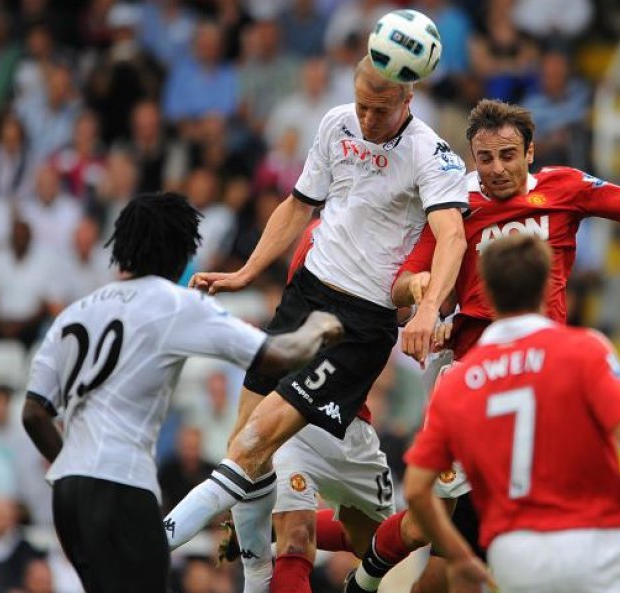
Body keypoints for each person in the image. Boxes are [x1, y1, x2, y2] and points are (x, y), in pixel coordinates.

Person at [345, 98, 620, 593]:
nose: (497, 169)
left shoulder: (564, 187)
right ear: (472, 158)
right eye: (485, 158)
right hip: (475, 376)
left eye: (508, 155)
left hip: (544, 378)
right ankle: (364, 579)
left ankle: (362, 578)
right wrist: (425, 298)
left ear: (530, 152)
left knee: (457, 552)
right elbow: (406, 277)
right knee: (435, 537)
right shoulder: (453, 204)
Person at [161, 55, 468, 593]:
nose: (368, 120)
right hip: (305, 297)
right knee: (247, 450)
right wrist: (247, 271)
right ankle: (257, 574)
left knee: (263, 454)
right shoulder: (335, 123)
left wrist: (425, 308)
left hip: (358, 326)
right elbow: (297, 205)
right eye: (362, 106)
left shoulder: (430, 153)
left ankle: (148, 539)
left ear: (408, 99)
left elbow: (453, 237)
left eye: (380, 110)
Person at [20, 192, 343, 593]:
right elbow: (277, 356)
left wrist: (70, 468)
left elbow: (34, 412)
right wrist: (320, 325)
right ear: (180, 250)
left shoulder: (75, 312)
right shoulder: (173, 303)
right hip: (124, 486)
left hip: (68, 496)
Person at [402, 234, 620, 593]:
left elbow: (415, 489)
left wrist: (459, 556)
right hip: (597, 542)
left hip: (516, 555)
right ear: (549, 286)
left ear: (485, 291)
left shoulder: (461, 381)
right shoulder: (585, 350)